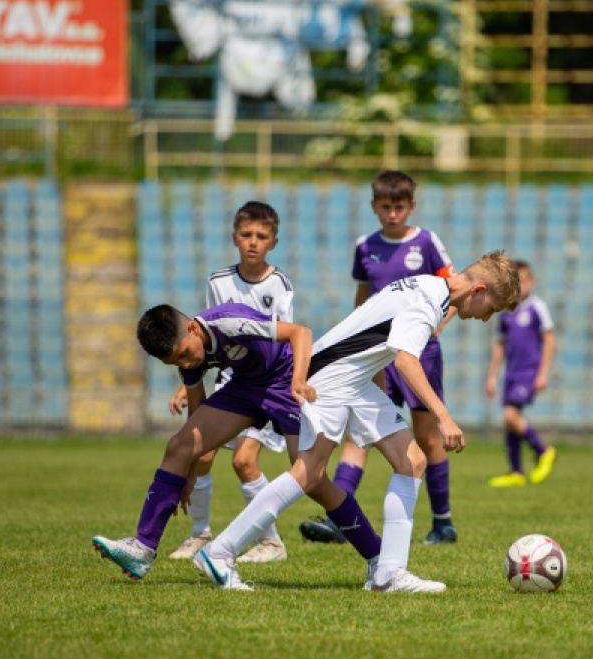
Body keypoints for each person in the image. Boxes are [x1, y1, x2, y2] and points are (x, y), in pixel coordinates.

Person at [193, 250, 522, 594]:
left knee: (412, 460)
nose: (486, 318)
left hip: (356, 378)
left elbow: (374, 332)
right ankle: (220, 551)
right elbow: (406, 361)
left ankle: (387, 574)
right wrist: (444, 417)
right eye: (492, 310)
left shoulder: (428, 285)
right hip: (334, 376)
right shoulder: (429, 301)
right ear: (479, 291)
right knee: (309, 473)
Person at [92, 301, 384, 588]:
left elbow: (301, 333)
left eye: (184, 354)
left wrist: (298, 381)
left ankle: (378, 559)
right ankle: (142, 549)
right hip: (246, 388)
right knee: (179, 446)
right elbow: (197, 416)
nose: (186, 363)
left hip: (286, 380)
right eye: (176, 363)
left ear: (193, 328)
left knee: (314, 479)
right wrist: (191, 470)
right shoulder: (188, 352)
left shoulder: (229, 322)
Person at [299, 169, 460, 547]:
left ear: (411, 207)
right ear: (374, 206)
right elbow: (364, 300)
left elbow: (454, 292)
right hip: (375, 354)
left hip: (419, 354)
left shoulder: (427, 242)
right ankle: (339, 518)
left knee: (425, 435)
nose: (393, 214)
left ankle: (442, 522)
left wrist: (436, 326)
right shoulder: (365, 246)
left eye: (399, 207)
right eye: (386, 207)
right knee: (362, 431)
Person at [167, 201, 295, 564]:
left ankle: (271, 542)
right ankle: (199, 534)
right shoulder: (218, 282)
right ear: (234, 237)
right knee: (202, 453)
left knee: (243, 460)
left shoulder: (279, 283)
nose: (253, 242)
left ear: (273, 242)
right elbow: (209, 338)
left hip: (270, 383)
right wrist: (190, 381)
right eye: (246, 235)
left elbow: (284, 338)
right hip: (231, 378)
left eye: (261, 236)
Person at [485, 259, 557, 487]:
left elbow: (549, 340)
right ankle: (516, 472)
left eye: (525, 279)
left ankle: (543, 450)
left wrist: (543, 373)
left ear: (532, 282)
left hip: (528, 371)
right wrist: (492, 376)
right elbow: (501, 345)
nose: (521, 284)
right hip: (511, 373)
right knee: (509, 421)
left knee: (510, 415)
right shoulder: (506, 310)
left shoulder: (537, 307)